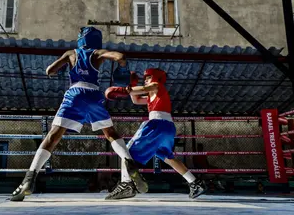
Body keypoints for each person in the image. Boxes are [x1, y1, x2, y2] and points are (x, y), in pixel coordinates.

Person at [11, 27, 147, 201]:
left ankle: (29, 179)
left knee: (53, 136)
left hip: (74, 94)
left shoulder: (71, 53)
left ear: (81, 39)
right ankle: (129, 163)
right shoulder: (98, 53)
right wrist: (122, 68)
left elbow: (49, 70)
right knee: (110, 133)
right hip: (93, 94)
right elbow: (120, 57)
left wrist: (61, 69)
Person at [105, 68, 207, 200]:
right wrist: (132, 85)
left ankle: (126, 185)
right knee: (168, 158)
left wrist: (122, 89)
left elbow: (143, 89)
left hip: (156, 125)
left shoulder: (157, 86)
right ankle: (195, 183)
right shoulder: (152, 95)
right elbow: (136, 100)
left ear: (156, 77)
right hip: (168, 128)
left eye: (148, 77)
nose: (146, 79)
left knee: (127, 151)